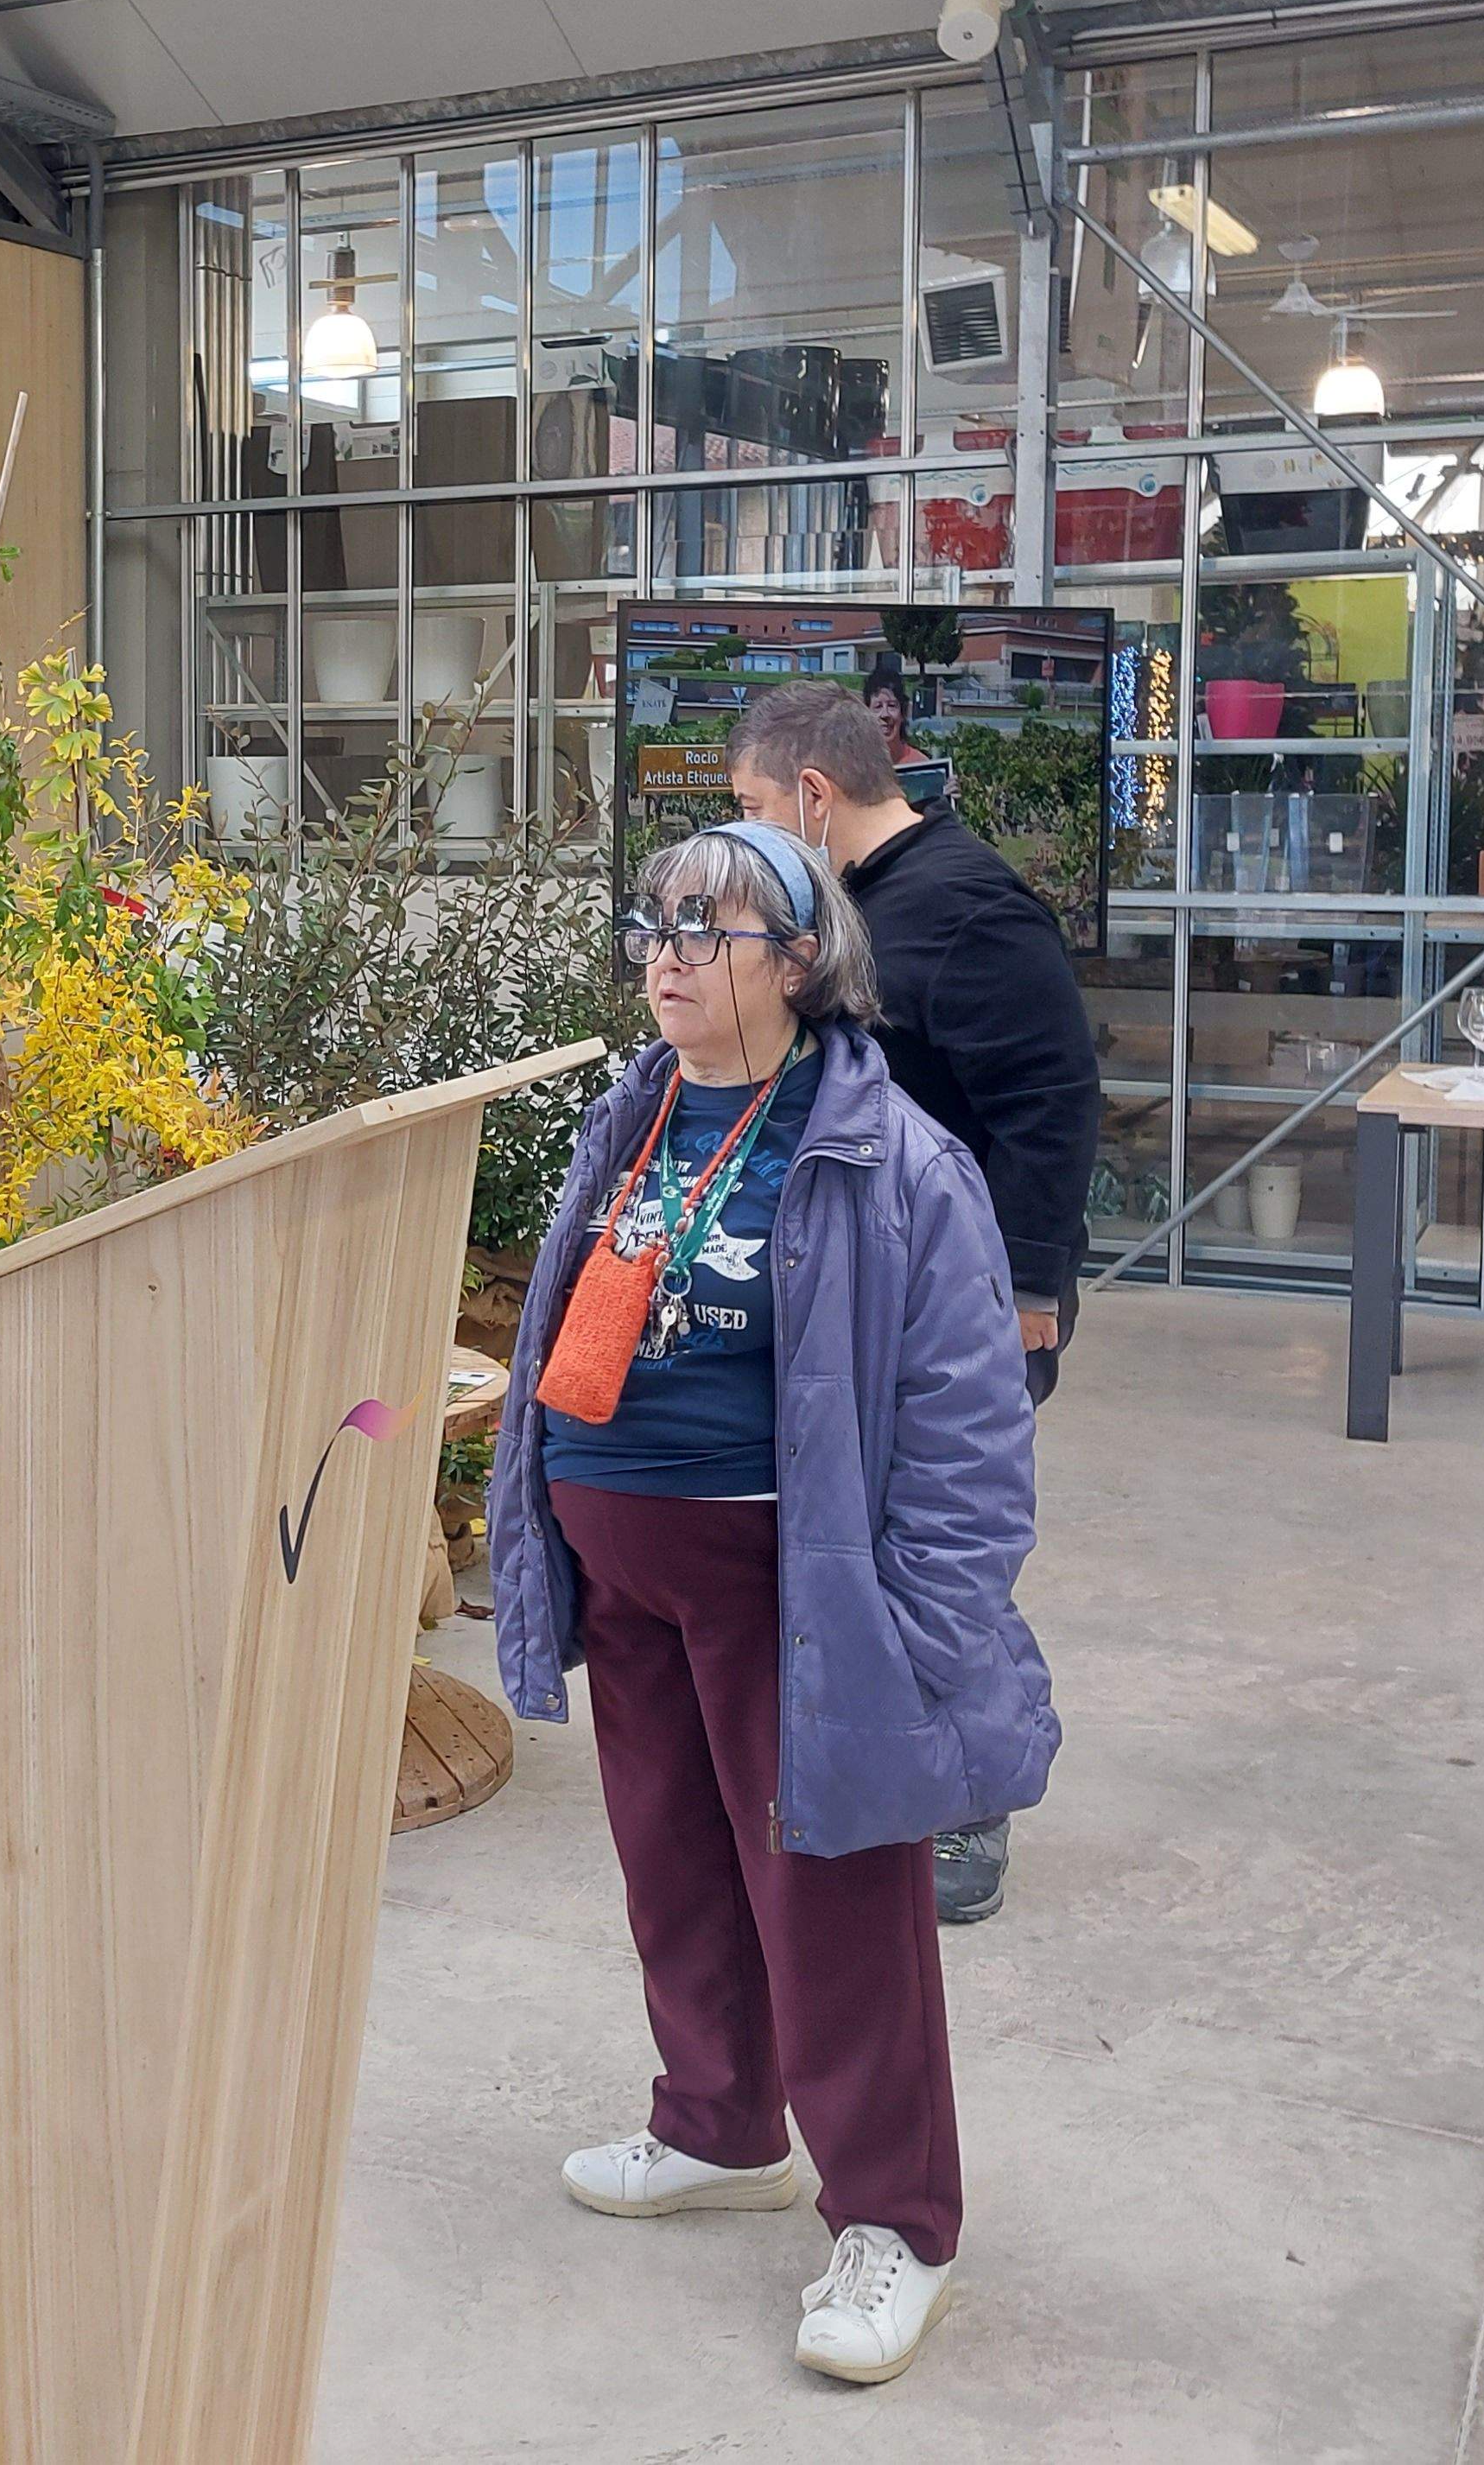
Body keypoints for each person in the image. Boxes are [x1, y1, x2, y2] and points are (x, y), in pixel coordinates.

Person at [488, 819, 1055, 2390]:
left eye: (707, 930)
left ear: (800, 961)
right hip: (628, 1577)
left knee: (835, 1911)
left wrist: (922, 1633)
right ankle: (720, 2124)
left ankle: (896, 2221)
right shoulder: (634, 1115)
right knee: (675, 1872)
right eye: (654, 924)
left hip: (793, 1595)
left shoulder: (894, 1159)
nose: (664, 956)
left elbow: (968, 1429)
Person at [726, 680, 1098, 1928]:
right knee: (860, 1538)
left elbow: (1052, 1099)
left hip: (961, 1301)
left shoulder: (969, 909)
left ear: (814, 795)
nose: (748, 835)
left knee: (943, 1547)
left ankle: (968, 1803)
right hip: (856, 1292)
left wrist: (1030, 1287)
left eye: (753, 808)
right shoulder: (848, 908)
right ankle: (870, 1767)